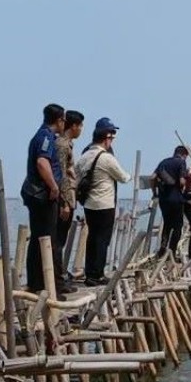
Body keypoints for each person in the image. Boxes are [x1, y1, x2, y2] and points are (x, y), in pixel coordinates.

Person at [20, 103, 75, 294]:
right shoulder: (45, 137)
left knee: (39, 239)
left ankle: (38, 283)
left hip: (39, 193)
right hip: (41, 194)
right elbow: (42, 162)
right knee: (47, 239)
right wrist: (53, 186)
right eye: (64, 120)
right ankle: (47, 285)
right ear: (59, 120)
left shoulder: (46, 136)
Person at [74, 118, 131, 286]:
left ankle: (90, 272)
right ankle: (97, 274)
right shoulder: (106, 158)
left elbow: (76, 176)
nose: (112, 141)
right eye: (112, 137)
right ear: (106, 138)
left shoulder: (84, 156)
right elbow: (123, 177)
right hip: (105, 204)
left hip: (89, 204)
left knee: (92, 238)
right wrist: (131, 176)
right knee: (102, 240)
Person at [54, 109, 84, 283]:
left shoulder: (67, 144)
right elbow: (62, 176)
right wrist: (65, 203)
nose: (81, 130)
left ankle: (59, 276)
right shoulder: (63, 145)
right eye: (80, 126)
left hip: (69, 196)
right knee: (58, 241)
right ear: (73, 126)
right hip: (64, 198)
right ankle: (57, 279)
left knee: (60, 241)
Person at [152, 145, 190, 261]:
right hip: (176, 198)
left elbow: (152, 178)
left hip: (164, 199)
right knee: (178, 226)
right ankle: (171, 252)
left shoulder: (163, 162)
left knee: (167, 224)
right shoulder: (181, 163)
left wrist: (155, 193)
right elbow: (182, 182)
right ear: (184, 155)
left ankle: (162, 249)